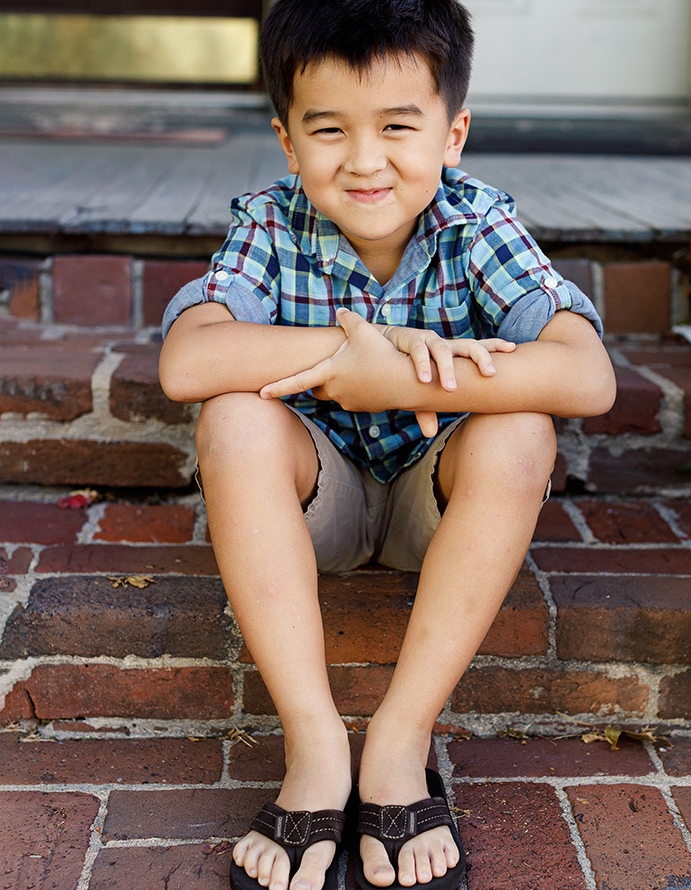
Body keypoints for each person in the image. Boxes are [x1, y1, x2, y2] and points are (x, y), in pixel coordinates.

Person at [158, 1, 616, 888]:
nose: (365, 161)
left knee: (523, 429)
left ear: (453, 135)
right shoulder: (272, 222)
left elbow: (587, 376)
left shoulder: (476, 224)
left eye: (398, 126)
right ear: (289, 143)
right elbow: (188, 361)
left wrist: (402, 381)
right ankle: (316, 747)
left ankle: (401, 743)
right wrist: (362, 353)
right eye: (330, 129)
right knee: (233, 418)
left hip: (429, 507)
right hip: (317, 504)